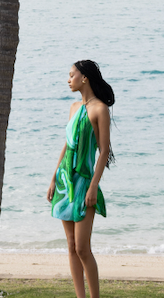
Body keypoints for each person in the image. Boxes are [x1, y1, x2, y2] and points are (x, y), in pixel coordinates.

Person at [47, 59, 114, 298]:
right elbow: (67, 144)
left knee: (83, 248)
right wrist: (54, 177)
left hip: (85, 182)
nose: (68, 79)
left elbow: (104, 151)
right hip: (66, 182)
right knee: (71, 246)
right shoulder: (74, 108)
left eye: (71, 75)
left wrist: (94, 186)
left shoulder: (100, 109)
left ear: (84, 78)